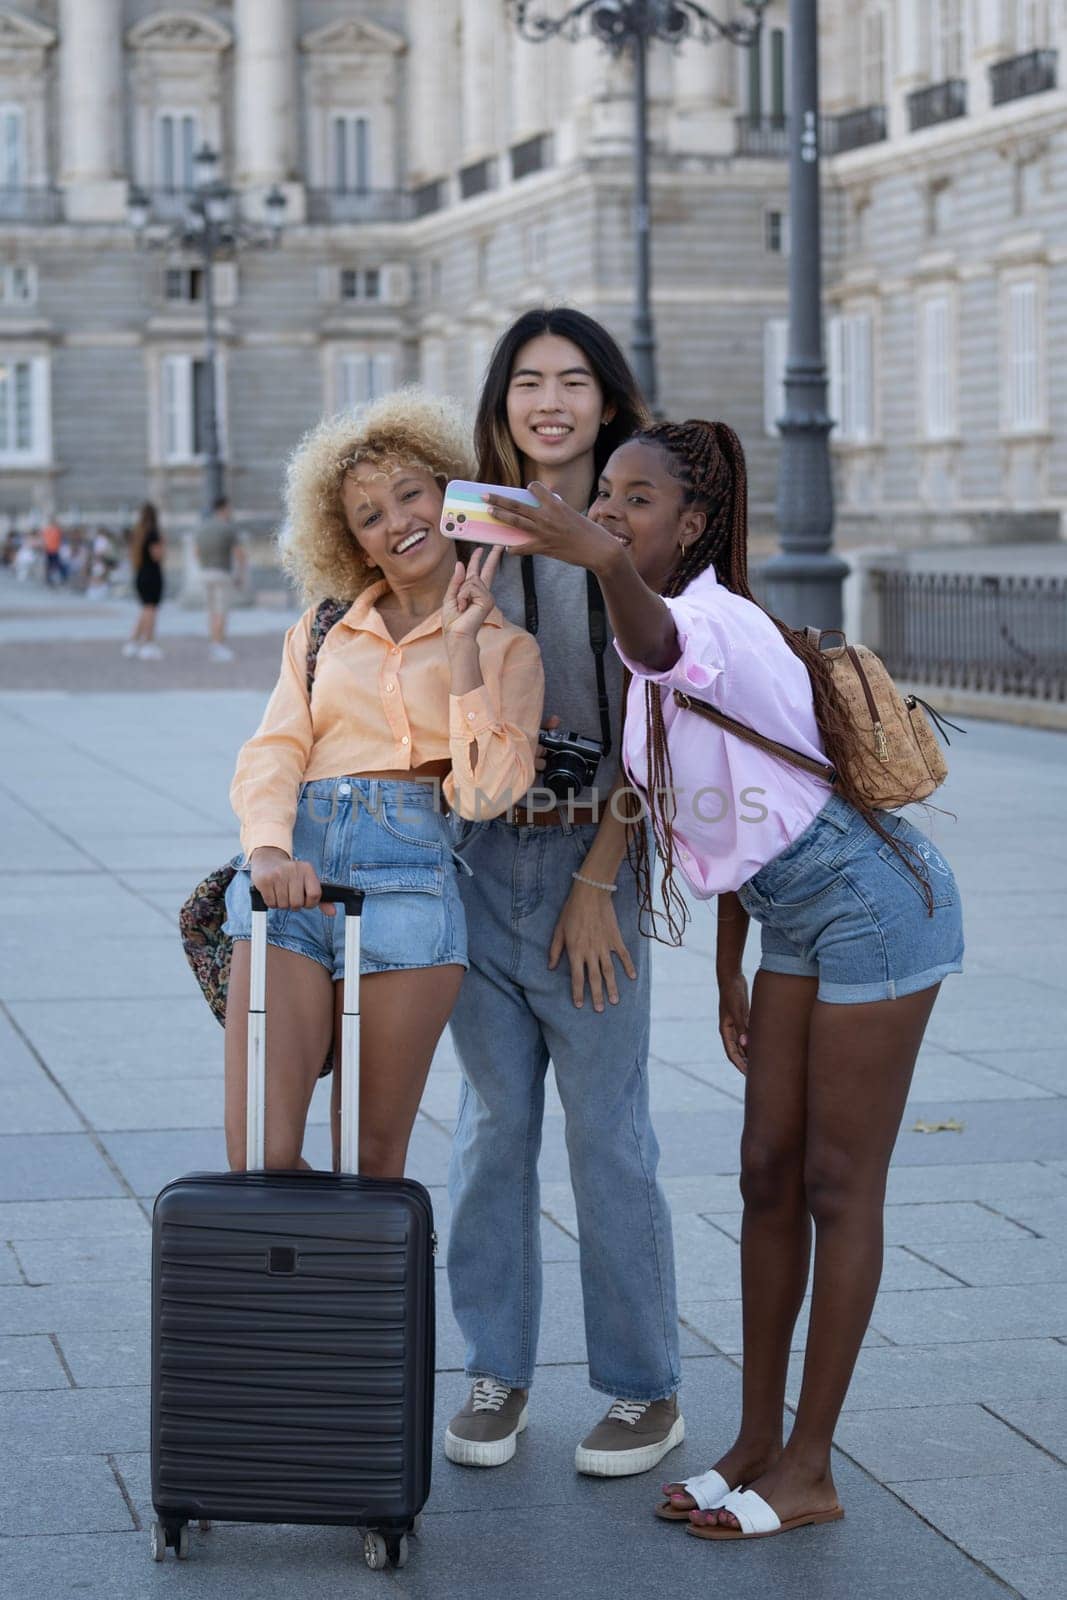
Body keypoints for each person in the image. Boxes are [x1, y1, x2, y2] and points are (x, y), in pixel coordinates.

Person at [485, 418, 965, 1541]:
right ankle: (754, 1437)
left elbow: (655, 648)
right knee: (763, 1174)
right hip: (794, 916)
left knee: (836, 1186)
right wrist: (726, 966)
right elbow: (720, 811)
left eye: (636, 500)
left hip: (872, 904)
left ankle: (809, 1465)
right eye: (603, 494)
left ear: (692, 525)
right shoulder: (656, 633)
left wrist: (593, 557)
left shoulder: (702, 623)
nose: (608, 512)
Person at [444, 308, 684, 1480]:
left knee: (606, 1133)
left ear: (606, 399)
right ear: (501, 403)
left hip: (595, 856)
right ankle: (497, 1368)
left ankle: (643, 1389)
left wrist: (600, 879)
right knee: (490, 1130)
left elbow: (664, 720)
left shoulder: (633, 533)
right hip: (474, 859)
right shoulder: (465, 529)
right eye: (529, 381)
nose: (551, 400)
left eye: (573, 381)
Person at [221, 390, 543, 1178]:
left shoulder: (509, 651)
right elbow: (274, 747)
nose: (397, 520)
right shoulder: (324, 630)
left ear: (446, 498)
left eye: (410, 494)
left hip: (411, 882)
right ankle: (269, 1302)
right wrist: (264, 850)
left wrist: (463, 650)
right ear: (354, 543)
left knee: (372, 1160)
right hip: (291, 866)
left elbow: (483, 795)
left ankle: (354, 1304)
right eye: (369, 515)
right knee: (260, 1152)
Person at [195, 495, 247, 662]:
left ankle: (213, 642)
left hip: (205, 572)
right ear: (224, 508)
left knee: (211, 612)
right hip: (222, 573)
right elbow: (240, 555)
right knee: (221, 612)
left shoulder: (203, 527)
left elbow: (196, 552)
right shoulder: (228, 528)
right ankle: (218, 645)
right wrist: (239, 575)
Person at [124, 504, 166, 659]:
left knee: (145, 610)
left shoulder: (138, 533)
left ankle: (133, 642)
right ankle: (148, 643)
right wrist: (163, 545)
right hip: (152, 574)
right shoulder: (152, 533)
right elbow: (157, 555)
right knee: (151, 611)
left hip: (140, 573)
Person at [41, 517, 65, 586]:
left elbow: (60, 539)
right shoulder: (48, 530)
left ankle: (54, 578)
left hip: (55, 550)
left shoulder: (57, 530)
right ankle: (49, 579)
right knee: (50, 565)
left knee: (55, 565)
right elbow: (45, 540)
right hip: (50, 550)